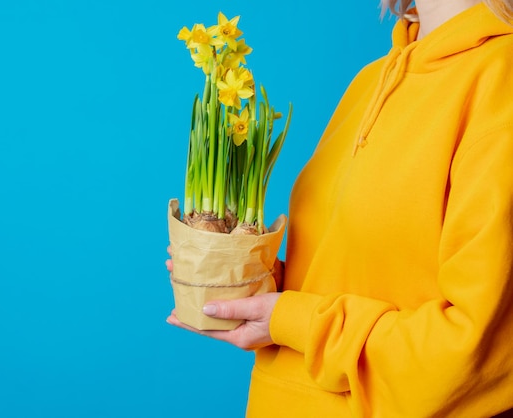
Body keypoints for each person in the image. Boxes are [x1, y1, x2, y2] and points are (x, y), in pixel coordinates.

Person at [166, 0, 513, 416]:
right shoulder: (373, 78)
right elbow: (359, 268)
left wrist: (294, 320)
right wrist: (256, 284)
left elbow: (477, 353)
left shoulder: (501, 82)